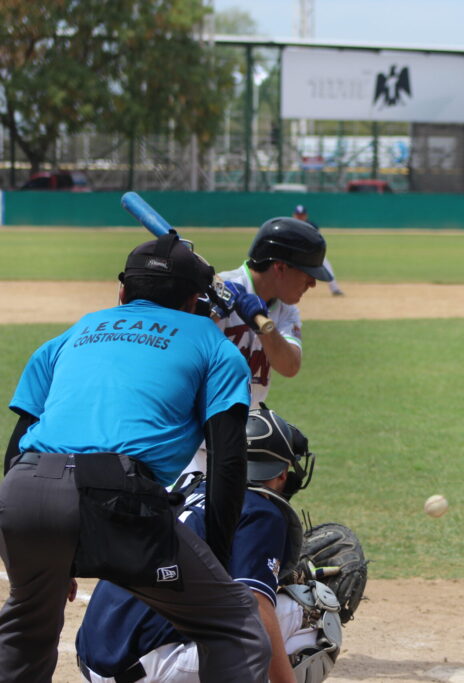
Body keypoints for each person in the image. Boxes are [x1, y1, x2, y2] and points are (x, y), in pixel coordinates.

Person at [0, 232, 268, 682]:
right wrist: (218, 561)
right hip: (117, 495)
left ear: (121, 291)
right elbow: (226, 461)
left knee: (26, 629)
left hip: (24, 491)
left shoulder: (72, 333)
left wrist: (51, 552)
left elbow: (17, 447)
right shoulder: (213, 344)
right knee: (235, 626)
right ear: (192, 302)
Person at [77, 406, 328, 683]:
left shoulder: (184, 491)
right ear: (282, 473)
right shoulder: (260, 510)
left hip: (96, 663)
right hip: (156, 672)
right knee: (313, 610)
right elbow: (255, 606)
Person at [186, 217, 332, 473]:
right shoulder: (216, 291)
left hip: (240, 444)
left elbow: (289, 366)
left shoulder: (287, 311)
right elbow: (177, 349)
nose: (312, 284)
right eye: (308, 274)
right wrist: (213, 312)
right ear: (280, 267)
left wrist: (262, 326)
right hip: (190, 445)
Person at [293, 204, 344, 296]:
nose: (300, 217)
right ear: (294, 215)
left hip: (312, 252)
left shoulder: (312, 226)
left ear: (306, 215)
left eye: (302, 215)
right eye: (298, 215)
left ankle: (335, 289)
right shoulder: (290, 226)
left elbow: (318, 240)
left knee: (327, 265)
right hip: (297, 254)